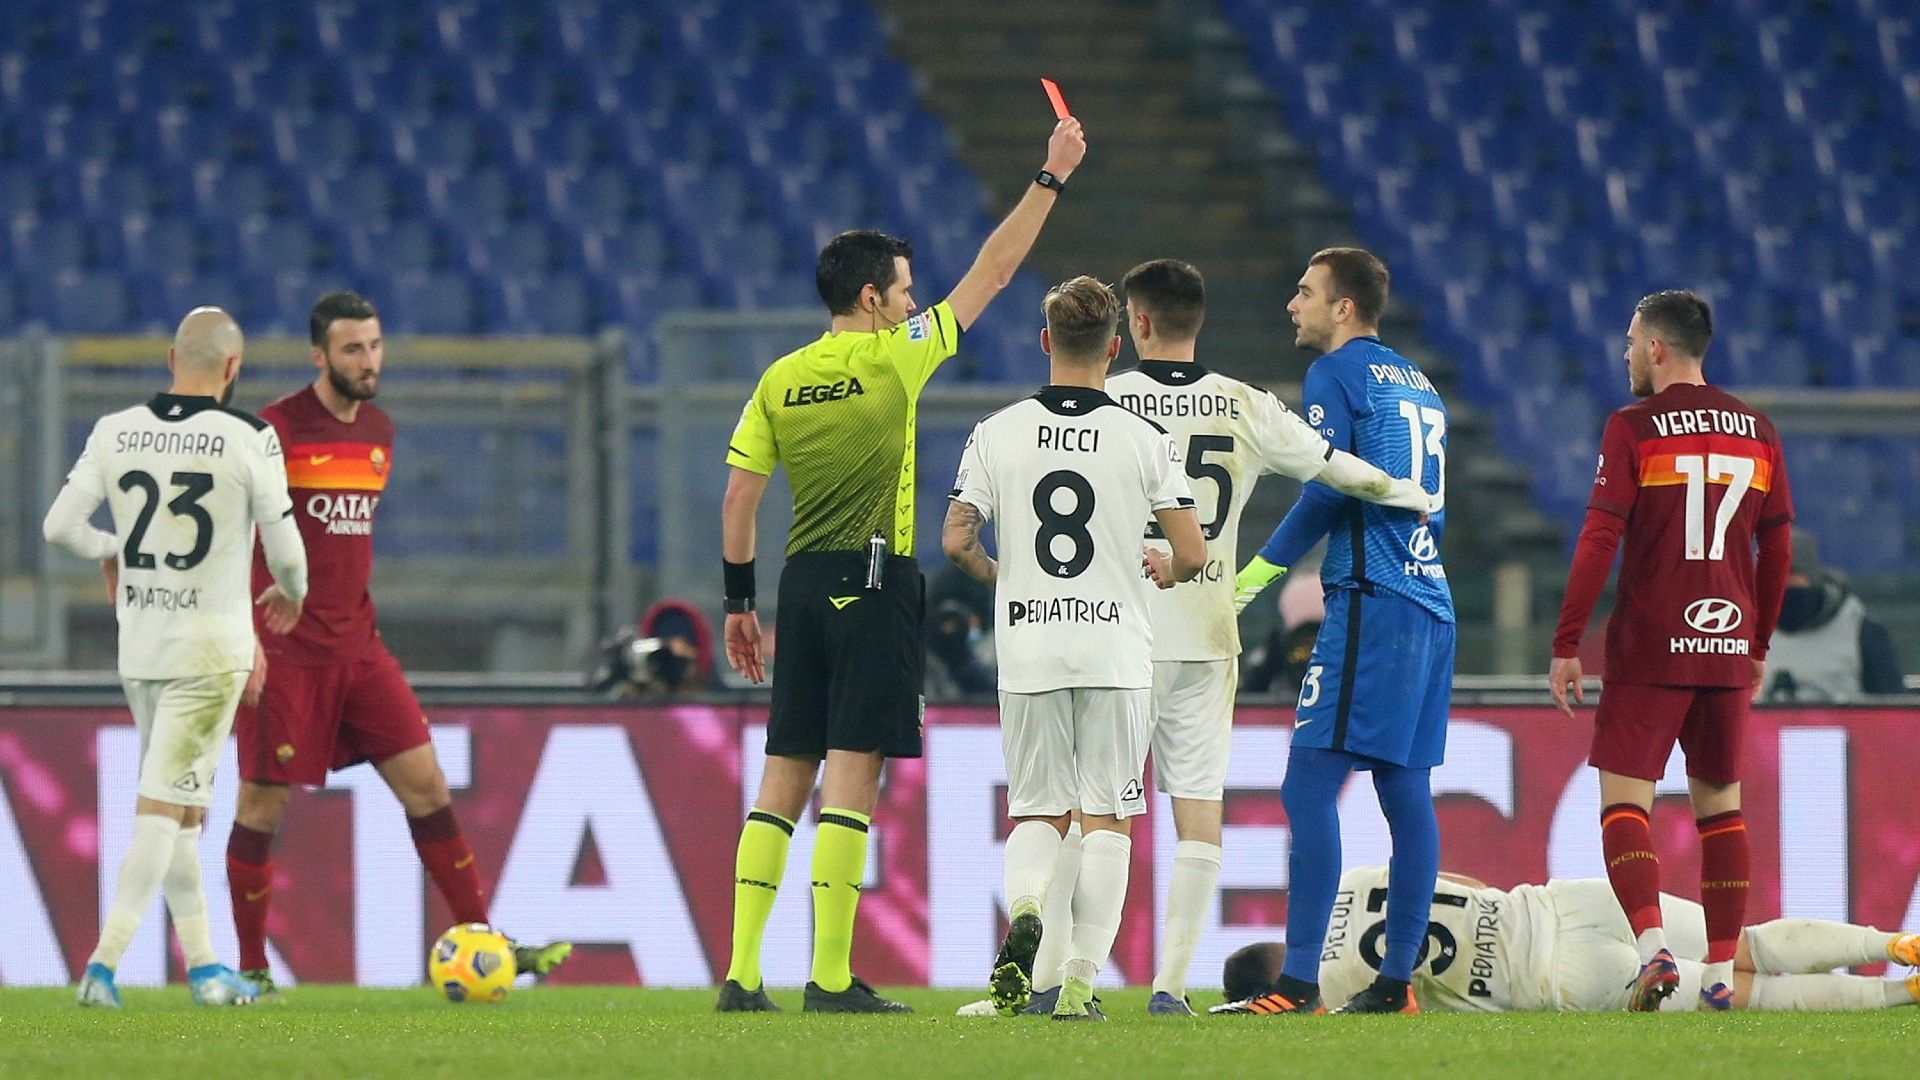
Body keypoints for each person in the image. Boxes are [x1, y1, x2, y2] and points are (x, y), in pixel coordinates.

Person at [715, 118, 1089, 1014]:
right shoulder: (895, 357)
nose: (915, 299)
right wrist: (1051, 176)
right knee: (853, 776)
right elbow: (995, 274)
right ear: (879, 300)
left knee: (780, 778)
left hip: (798, 585)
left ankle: (740, 974)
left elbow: (737, 503)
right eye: (908, 289)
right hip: (876, 582)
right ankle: (833, 978)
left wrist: (739, 604)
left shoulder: (780, 377)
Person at [1006, 258, 1431, 1016]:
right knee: (1197, 814)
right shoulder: (1245, 404)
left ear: (1132, 326)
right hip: (1207, 633)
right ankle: (1170, 988)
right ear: (1195, 321)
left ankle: (1063, 984)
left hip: (1117, 632)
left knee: (1093, 812)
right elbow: (1333, 471)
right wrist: (1410, 492)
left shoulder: (1106, 400)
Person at [224, 292, 571, 1001]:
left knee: (428, 787)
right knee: (262, 808)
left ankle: (483, 938)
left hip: (359, 650)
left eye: (375, 346)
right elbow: (230, 536)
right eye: (352, 349)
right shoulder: (275, 430)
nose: (368, 361)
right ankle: (251, 968)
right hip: (284, 654)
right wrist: (241, 635)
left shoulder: (380, 430)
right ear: (318, 356)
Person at [943, 275, 1206, 1021]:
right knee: (1107, 819)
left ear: (1045, 342)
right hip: (1116, 650)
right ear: (1115, 348)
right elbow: (1190, 551)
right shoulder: (1145, 438)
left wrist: (1007, 577)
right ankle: (1080, 985)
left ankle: (1025, 916)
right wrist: (1160, 564)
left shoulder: (996, 431)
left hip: (1029, 643)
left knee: (1036, 814)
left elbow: (956, 540)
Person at [43, 307, 308, 1008]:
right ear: (232, 369)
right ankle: (102, 967)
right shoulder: (250, 437)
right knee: (165, 811)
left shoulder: (113, 430)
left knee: (185, 811)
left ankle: (205, 969)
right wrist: (294, 595)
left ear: (170, 360)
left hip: (142, 647)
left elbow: (60, 527)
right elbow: (287, 554)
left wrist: (113, 550)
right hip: (209, 652)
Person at [1549, 290, 1794, 1011]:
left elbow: (1600, 537)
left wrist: (1568, 640)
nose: (1626, 352)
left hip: (1651, 640)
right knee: (1723, 807)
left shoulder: (1633, 428)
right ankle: (1720, 974)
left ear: (1657, 348)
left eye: (1631, 341)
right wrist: (1758, 639)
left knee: (1627, 801)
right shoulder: (1758, 429)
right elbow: (1776, 545)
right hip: (1724, 642)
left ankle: (1654, 948)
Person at [1229, 248, 1455, 1015]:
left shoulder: (1337, 374)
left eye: (1305, 292)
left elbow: (1328, 491)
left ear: (1344, 308)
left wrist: (1254, 578)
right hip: (1431, 598)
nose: (1293, 305)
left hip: (1371, 597)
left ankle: (1297, 984)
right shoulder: (1420, 384)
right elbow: (1430, 503)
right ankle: (1395, 984)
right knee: (1404, 788)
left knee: (1309, 783)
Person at [1217, 866, 1920, 1013]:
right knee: (1749, 941)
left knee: (1744, 994)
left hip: (1558, 977)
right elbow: (1462, 877)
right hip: (1572, 904)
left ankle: (1898, 995)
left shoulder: (1332, 984)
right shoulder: (1349, 881)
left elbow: (1400, 1009)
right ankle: (1891, 942)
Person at [1760, 531, 1905, 701]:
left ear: (1812, 578)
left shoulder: (1860, 631)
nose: (1781, 583)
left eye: (1791, 574)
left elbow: (1893, 712)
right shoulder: (1737, 629)